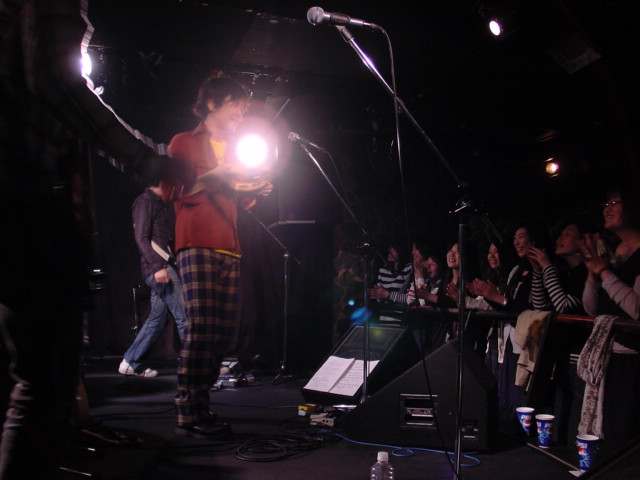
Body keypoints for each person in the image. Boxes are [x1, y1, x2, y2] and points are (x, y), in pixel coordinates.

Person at [0, 1, 193, 477]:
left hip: (24, 208)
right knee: (45, 379)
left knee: (39, 378)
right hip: (25, 208)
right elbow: (59, 82)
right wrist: (147, 160)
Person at [168, 73, 272, 439]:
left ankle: (202, 404)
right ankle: (189, 410)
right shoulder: (184, 142)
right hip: (196, 243)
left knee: (222, 333)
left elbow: (237, 198)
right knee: (202, 329)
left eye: (243, 111)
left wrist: (255, 188)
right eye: (235, 108)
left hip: (230, 244)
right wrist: (218, 174)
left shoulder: (234, 148)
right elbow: (175, 191)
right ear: (212, 103)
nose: (240, 116)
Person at [579, 184, 640, 458]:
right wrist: (593, 274)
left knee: (624, 435)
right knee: (607, 432)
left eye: (615, 202)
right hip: (608, 356)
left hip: (632, 358)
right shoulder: (615, 253)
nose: (608, 208)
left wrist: (603, 271)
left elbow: (636, 309)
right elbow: (592, 309)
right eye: (606, 203)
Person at [119, 182, 187, 378]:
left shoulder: (159, 204)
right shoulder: (145, 201)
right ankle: (199, 367)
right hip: (159, 268)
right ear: (161, 182)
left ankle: (131, 362)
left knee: (157, 319)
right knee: (185, 316)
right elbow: (141, 237)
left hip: (164, 266)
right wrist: (158, 267)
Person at [369, 243, 412, 324]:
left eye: (394, 249)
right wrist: (376, 294)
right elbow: (379, 298)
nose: (390, 251)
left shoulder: (409, 269)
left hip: (402, 321)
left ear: (401, 252)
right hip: (384, 320)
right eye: (390, 248)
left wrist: (388, 295)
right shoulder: (383, 270)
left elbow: (411, 299)